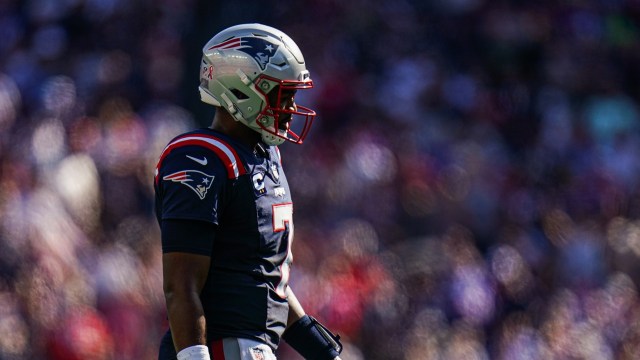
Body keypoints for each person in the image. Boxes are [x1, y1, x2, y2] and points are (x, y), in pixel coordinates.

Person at [154, 23, 343, 360]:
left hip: (252, 348)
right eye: (281, 94)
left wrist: (323, 351)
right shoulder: (201, 157)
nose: (289, 107)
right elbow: (181, 283)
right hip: (221, 347)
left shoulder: (265, 157)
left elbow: (270, 283)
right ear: (240, 89)